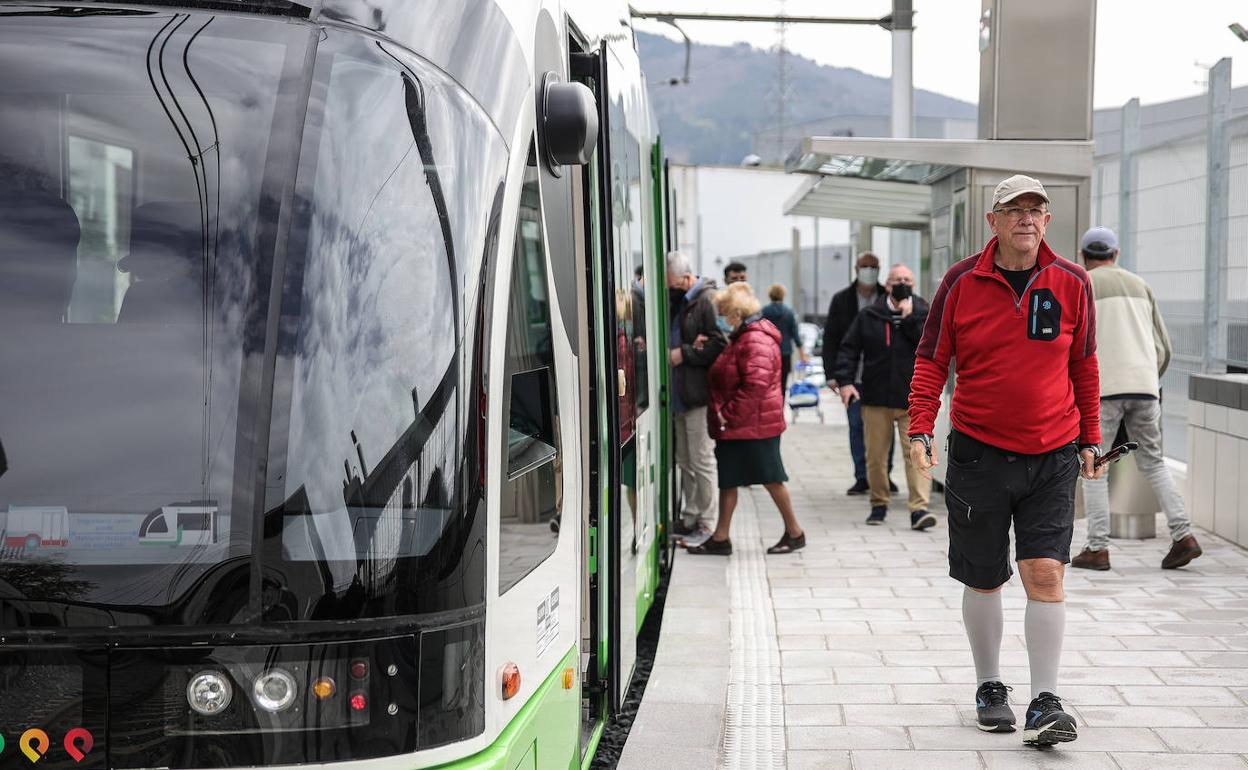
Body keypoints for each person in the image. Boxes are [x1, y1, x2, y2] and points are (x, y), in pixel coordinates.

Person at [907, 175, 1104, 747]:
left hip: (1053, 452)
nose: (1026, 218)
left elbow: (1085, 366)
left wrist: (1091, 438)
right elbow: (930, 360)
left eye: (1036, 210)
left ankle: (1046, 700)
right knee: (984, 575)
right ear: (991, 221)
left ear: (1047, 221)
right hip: (978, 452)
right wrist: (921, 426)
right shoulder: (961, 282)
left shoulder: (1072, 282)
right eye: (1013, 210)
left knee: (1045, 572)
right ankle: (990, 686)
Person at [1072, 226, 1202, 571]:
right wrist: (1146, 378)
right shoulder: (1141, 285)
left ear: (1085, 257)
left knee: (1095, 465)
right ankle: (1183, 535)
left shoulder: (1082, 283)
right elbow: (1164, 347)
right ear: (1115, 255)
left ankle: (1097, 548)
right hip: (1145, 386)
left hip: (1100, 389)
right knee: (1154, 462)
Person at [687, 282, 805, 555]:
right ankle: (721, 537)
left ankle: (795, 532)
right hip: (741, 426)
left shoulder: (754, 339)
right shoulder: (742, 336)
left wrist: (727, 416)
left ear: (735, 314)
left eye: (722, 312)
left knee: (771, 478)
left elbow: (755, 386)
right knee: (729, 479)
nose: (719, 318)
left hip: (753, 427)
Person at [833, 264, 934, 530]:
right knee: (875, 457)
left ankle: (919, 509)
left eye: (907, 279)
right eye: (897, 279)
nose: (902, 283)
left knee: (917, 454)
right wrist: (845, 382)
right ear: (887, 284)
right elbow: (848, 349)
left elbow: (930, 346)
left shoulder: (925, 312)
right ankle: (879, 503)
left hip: (913, 399)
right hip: (876, 397)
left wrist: (909, 317)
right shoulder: (870, 315)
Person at [666, 251, 727, 537]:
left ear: (686, 277)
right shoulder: (680, 300)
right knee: (685, 460)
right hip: (680, 393)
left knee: (700, 459)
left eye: (673, 284)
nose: (670, 290)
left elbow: (720, 343)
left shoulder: (706, 300)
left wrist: (686, 352)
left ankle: (705, 517)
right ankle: (690, 515)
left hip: (698, 394)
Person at [824, 252, 894, 495]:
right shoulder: (842, 300)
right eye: (865, 266)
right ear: (856, 268)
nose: (869, 271)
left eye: (874, 267)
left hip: (882, 376)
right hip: (853, 377)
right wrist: (833, 375)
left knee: (885, 429)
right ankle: (862, 476)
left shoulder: (888, 296)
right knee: (856, 426)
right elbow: (831, 338)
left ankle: (884, 475)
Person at [761, 283, 807, 394]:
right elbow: (795, 335)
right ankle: (780, 407)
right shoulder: (789, 313)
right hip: (785, 352)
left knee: (767, 383)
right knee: (782, 383)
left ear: (770, 295)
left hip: (767, 352)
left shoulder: (763, 312)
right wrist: (802, 355)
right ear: (783, 295)